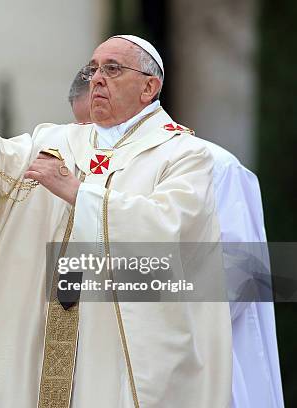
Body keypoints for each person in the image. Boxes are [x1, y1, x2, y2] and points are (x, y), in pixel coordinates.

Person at [0, 35, 232, 408]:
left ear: (149, 87)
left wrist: (77, 192)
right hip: (38, 329)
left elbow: (168, 229)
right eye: (93, 69)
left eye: (112, 69)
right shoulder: (57, 139)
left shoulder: (184, 154)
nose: (97, 79)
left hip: (112, 342)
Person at [67, 73, 285, 408]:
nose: (94, 144)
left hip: (197, 361)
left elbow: (241, 277)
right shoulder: (89, 170)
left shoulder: (215, 165)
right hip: (109, 362)